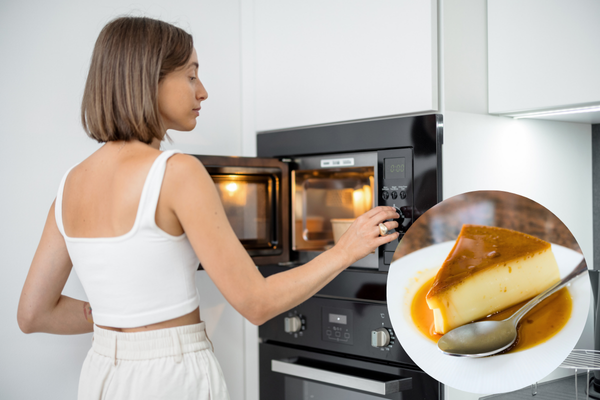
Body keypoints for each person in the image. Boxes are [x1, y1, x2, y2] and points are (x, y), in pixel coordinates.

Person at [17, 16, 400, 400]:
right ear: (150, 79)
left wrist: (113, 315)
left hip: (101, 374)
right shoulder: (177, 172)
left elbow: (33, 314)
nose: (203, 92)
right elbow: (257, 302)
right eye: (190, 75)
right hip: (171, 378)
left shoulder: (69, 186)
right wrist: (345, 248)